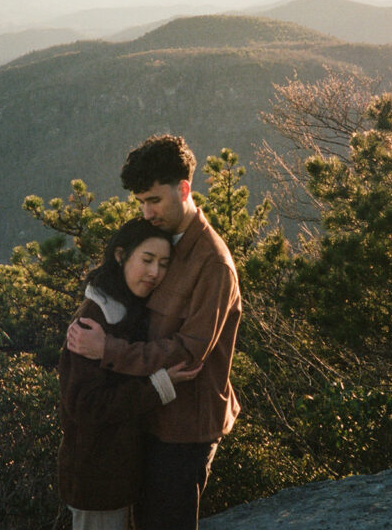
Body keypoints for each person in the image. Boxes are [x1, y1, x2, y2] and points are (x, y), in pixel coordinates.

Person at [66, 134, 242, 530]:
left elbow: (189, 353)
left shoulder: (212, 263)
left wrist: (107, 349)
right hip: (148, 418)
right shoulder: (165, 244)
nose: (146, 212)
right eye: (141, 202)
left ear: (184, 189)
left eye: (154, 200)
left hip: (183, 433)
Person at [57, 217, 201, 530]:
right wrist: (158, 387)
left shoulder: (127, 310)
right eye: (147, 260)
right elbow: (86, 405)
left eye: (164, 264)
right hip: (96, 481)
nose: (155, 273)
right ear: (121, 256)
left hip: (121, 476)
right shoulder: (92, 322)